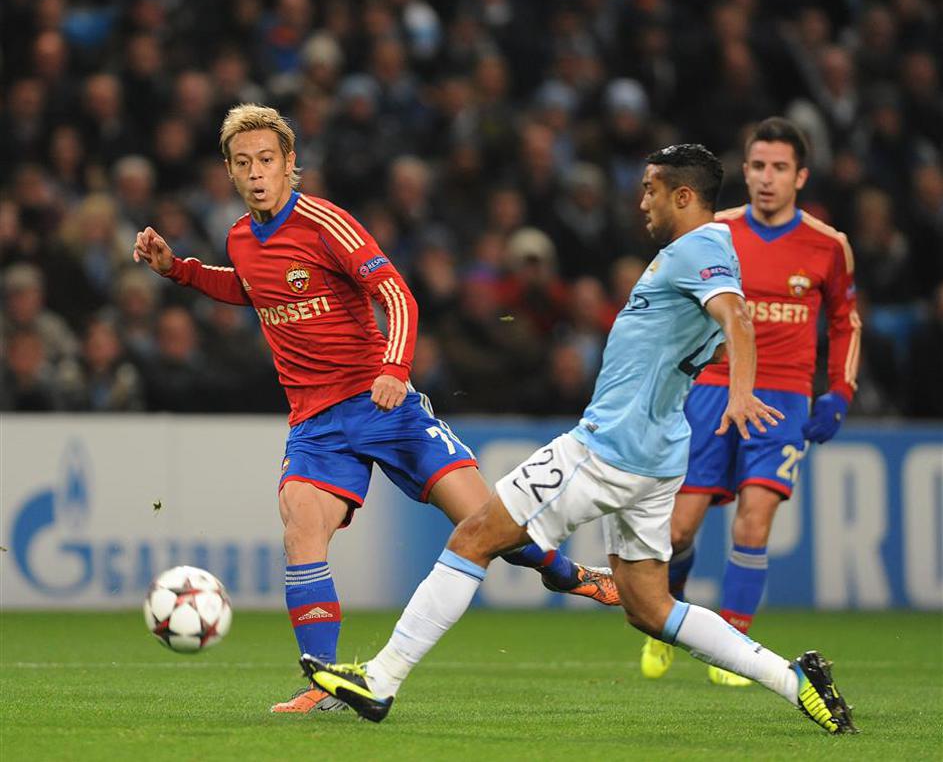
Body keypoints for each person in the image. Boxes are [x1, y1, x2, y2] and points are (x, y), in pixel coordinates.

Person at [306, 144, 857, 735]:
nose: (641, 201)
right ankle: (795, 680)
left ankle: (381, 678)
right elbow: (711, 334)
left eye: (650, 190)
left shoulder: (699, 248)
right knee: (650, 608)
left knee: (473, 537)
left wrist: (740, 392)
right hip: (656, 456)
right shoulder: (707, 251)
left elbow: (737, 320)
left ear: (683, 196)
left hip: (607, 449)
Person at [131, 104, 618, 715]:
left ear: (289, 164)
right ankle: (323, 681)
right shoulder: (239, 239)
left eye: (267, 160)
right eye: (243, 163)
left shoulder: (325, 223)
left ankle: (567, 574)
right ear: (229, 171)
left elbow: (397, 295)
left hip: (384, 404)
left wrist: (394, 368)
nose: (256, 173)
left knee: (491, 528)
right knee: (301, 530)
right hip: (315, 424)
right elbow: (250, 287)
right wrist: (178, 270)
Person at [640, 118, 860, 687]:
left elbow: (846, 320)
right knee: (679, 530)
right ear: (745, 170)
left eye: (779, 168)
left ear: (800, 177)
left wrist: (839, 391)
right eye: (758, 166)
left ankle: (734, 649)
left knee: (754, 523)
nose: (767, 178)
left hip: (783, 396)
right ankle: (670, 617)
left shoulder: (829, 245)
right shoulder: (715, 231)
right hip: (711, 389)